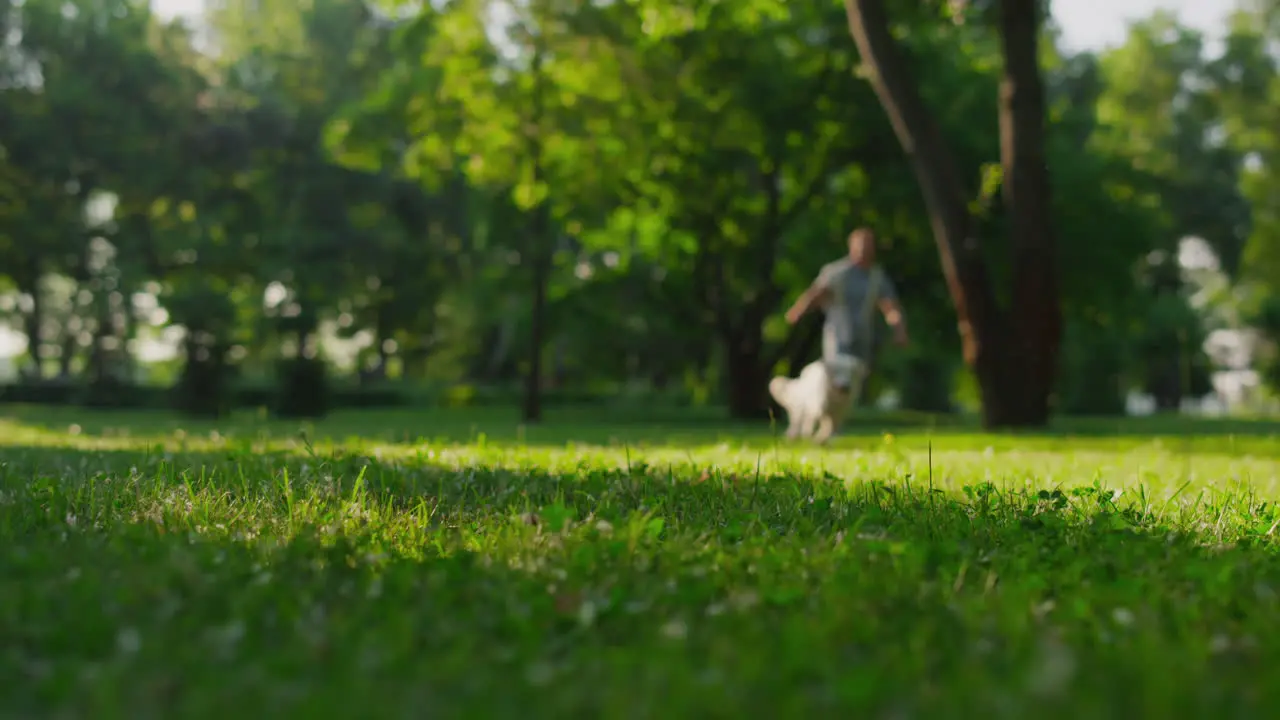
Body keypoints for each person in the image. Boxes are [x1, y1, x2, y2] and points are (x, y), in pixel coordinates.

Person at [784, 227, 909, 393]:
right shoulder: (836, 272)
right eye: (860, 245)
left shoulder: (878, 278)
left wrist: (899, 330)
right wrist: (798, 311)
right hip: (837, 336)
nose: (863, 250)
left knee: (856, 382)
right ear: (851, 246)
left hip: (863, 338)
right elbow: (816, 293)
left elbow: (890, 307)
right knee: (838, 379)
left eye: (867, 245)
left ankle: (845, 414)